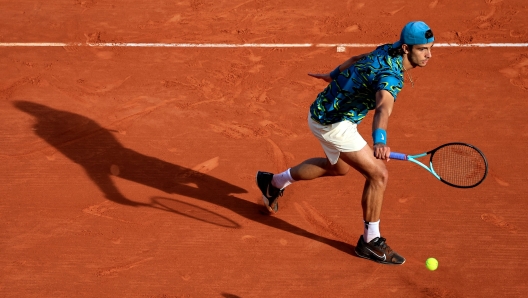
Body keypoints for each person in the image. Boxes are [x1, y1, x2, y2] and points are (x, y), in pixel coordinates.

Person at [256, 21, 434, 265]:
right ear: (406, 48)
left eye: (430, 48)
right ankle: (370, 242)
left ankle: (272, 183)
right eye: (423, 49)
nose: (429, 54)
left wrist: (333, 75)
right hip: (335, 123)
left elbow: (356, 58)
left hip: (323, 110)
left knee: (338, 167)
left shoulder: (386, 49)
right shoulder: (391, 77)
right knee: (378, 174)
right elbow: (383, 108)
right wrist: (380, 140)